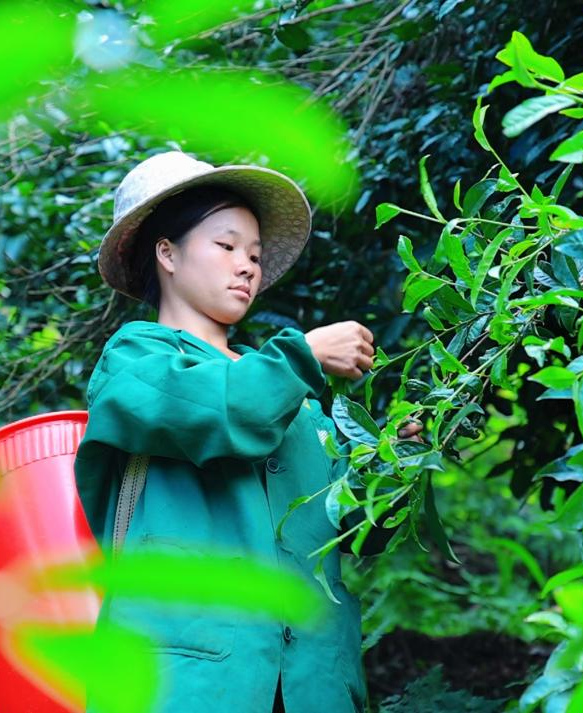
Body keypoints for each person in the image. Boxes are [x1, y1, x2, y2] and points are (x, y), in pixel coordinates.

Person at [73, 150, 421, 713]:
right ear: (167, 253)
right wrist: (303, 354)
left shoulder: (294, 402)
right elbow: (221, 412)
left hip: (310, 688)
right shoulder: (134, 362)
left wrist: (396, 461)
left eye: (255, 255)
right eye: (227, 245)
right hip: (183, 687)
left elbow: (355, 527)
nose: (247, 267)